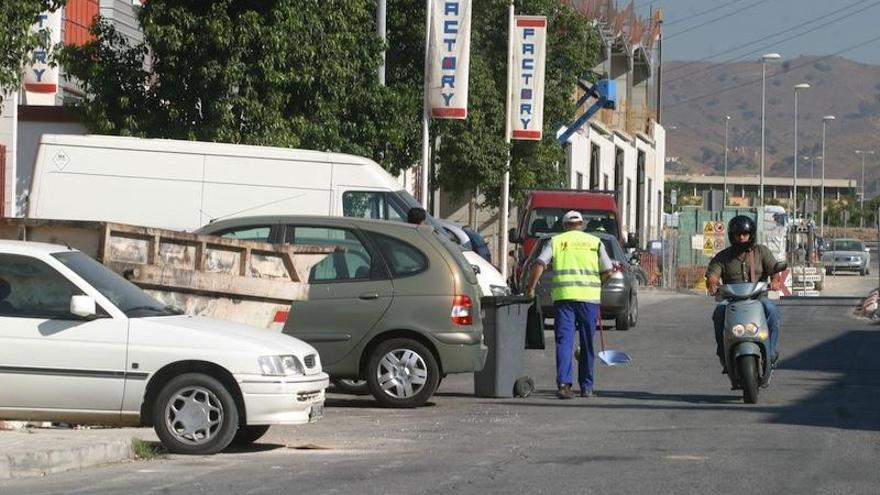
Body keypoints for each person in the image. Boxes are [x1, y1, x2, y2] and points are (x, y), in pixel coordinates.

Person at [525, 210, 612, 399]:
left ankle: (564, 385)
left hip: (564, 299)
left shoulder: (556, 241)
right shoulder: (595, 243)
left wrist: (531, 287)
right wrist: (597, 284)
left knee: (564, 342)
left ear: (564, 226)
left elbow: (539, 263)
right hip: (589, 300)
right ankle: (586, 387)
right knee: (588, 344)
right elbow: (608, 271)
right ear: (582, 225)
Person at [706, 215, 783, 371]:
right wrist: (713, 285)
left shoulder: (761, 251)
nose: (741, 238)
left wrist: (775, 281)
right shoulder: (723, 257)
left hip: (758, 299)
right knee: (718, 313)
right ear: (732, 236)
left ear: (751, 235)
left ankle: (771, 350)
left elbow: (774, 269)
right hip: (732, 301)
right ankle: (723, 352)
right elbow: (712, 275)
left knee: (773, 312)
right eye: (738, 234)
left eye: (745, 234)